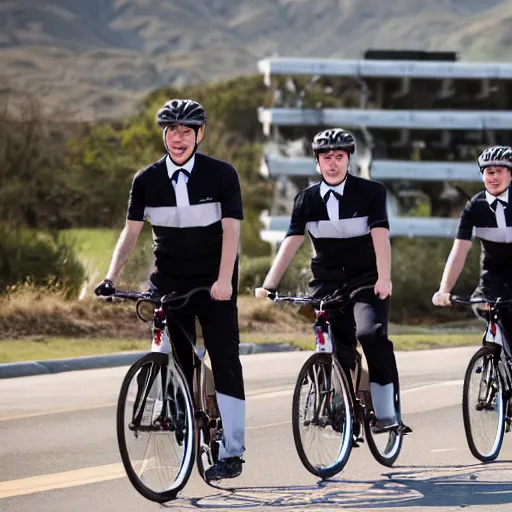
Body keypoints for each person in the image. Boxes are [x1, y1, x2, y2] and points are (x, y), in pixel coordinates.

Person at [94, 99, 245, 480]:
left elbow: (231, 232)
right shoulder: (146, 180)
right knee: (178, 355)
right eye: (172, 130)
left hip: (214, 279)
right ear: (163, 134)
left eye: (186, 131)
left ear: (200, 134)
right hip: (169, 278)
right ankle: (184, 410)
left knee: (225, 357)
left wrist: (225, 280)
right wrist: (111, 277)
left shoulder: (222, 175)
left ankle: (232, 451)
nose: (178, 138)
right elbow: (131, 234)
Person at [255, 128, 407, 433]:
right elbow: (291, 243)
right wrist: (269, 285)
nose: (333, 163)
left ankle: (387, 411)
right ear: (317, 162)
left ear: (349, 159)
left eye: (339, 156)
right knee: (338, 349)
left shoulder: (371, 192)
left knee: (370, 334)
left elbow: (381, 237)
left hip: (367, 280)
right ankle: (340, 404)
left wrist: (385, 277)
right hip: (326, 284)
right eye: (327, 157)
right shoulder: (306, 199)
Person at [433, 145, 512, 336]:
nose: (494, 177)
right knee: (482, 308)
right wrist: (444, 290)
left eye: (500, 172)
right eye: (489, 172)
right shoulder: (475, 206)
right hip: (492, 281)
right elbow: (459, 252)